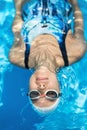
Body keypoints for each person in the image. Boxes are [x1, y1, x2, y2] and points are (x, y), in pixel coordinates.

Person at [9, 0, 86, 113]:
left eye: (34, 94)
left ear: (28, 90)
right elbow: (77, 16)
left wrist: (19, 4)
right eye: (51, 94)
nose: (41, 87)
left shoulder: (17, 56)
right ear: (59, 88)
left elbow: (17, 24)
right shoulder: (74, 52)